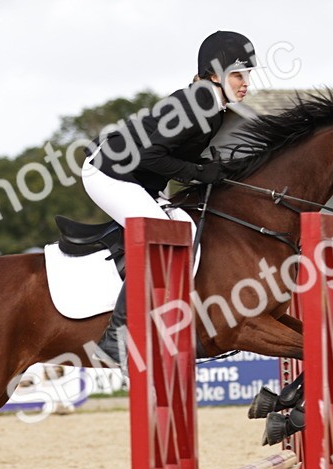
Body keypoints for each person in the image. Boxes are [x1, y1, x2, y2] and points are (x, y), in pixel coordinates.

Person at [86, 30, 257, 369]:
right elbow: (151, 156)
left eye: (247, 74)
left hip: (136, 177)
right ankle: (114, 338)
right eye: (239, 74)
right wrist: (197, 172)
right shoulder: (201, 104)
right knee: (161, 235)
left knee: (185, 228)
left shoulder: (212, 106)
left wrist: (207, 169)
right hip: (109, 173)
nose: (246, 83)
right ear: (215, 74)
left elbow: (168, 156)